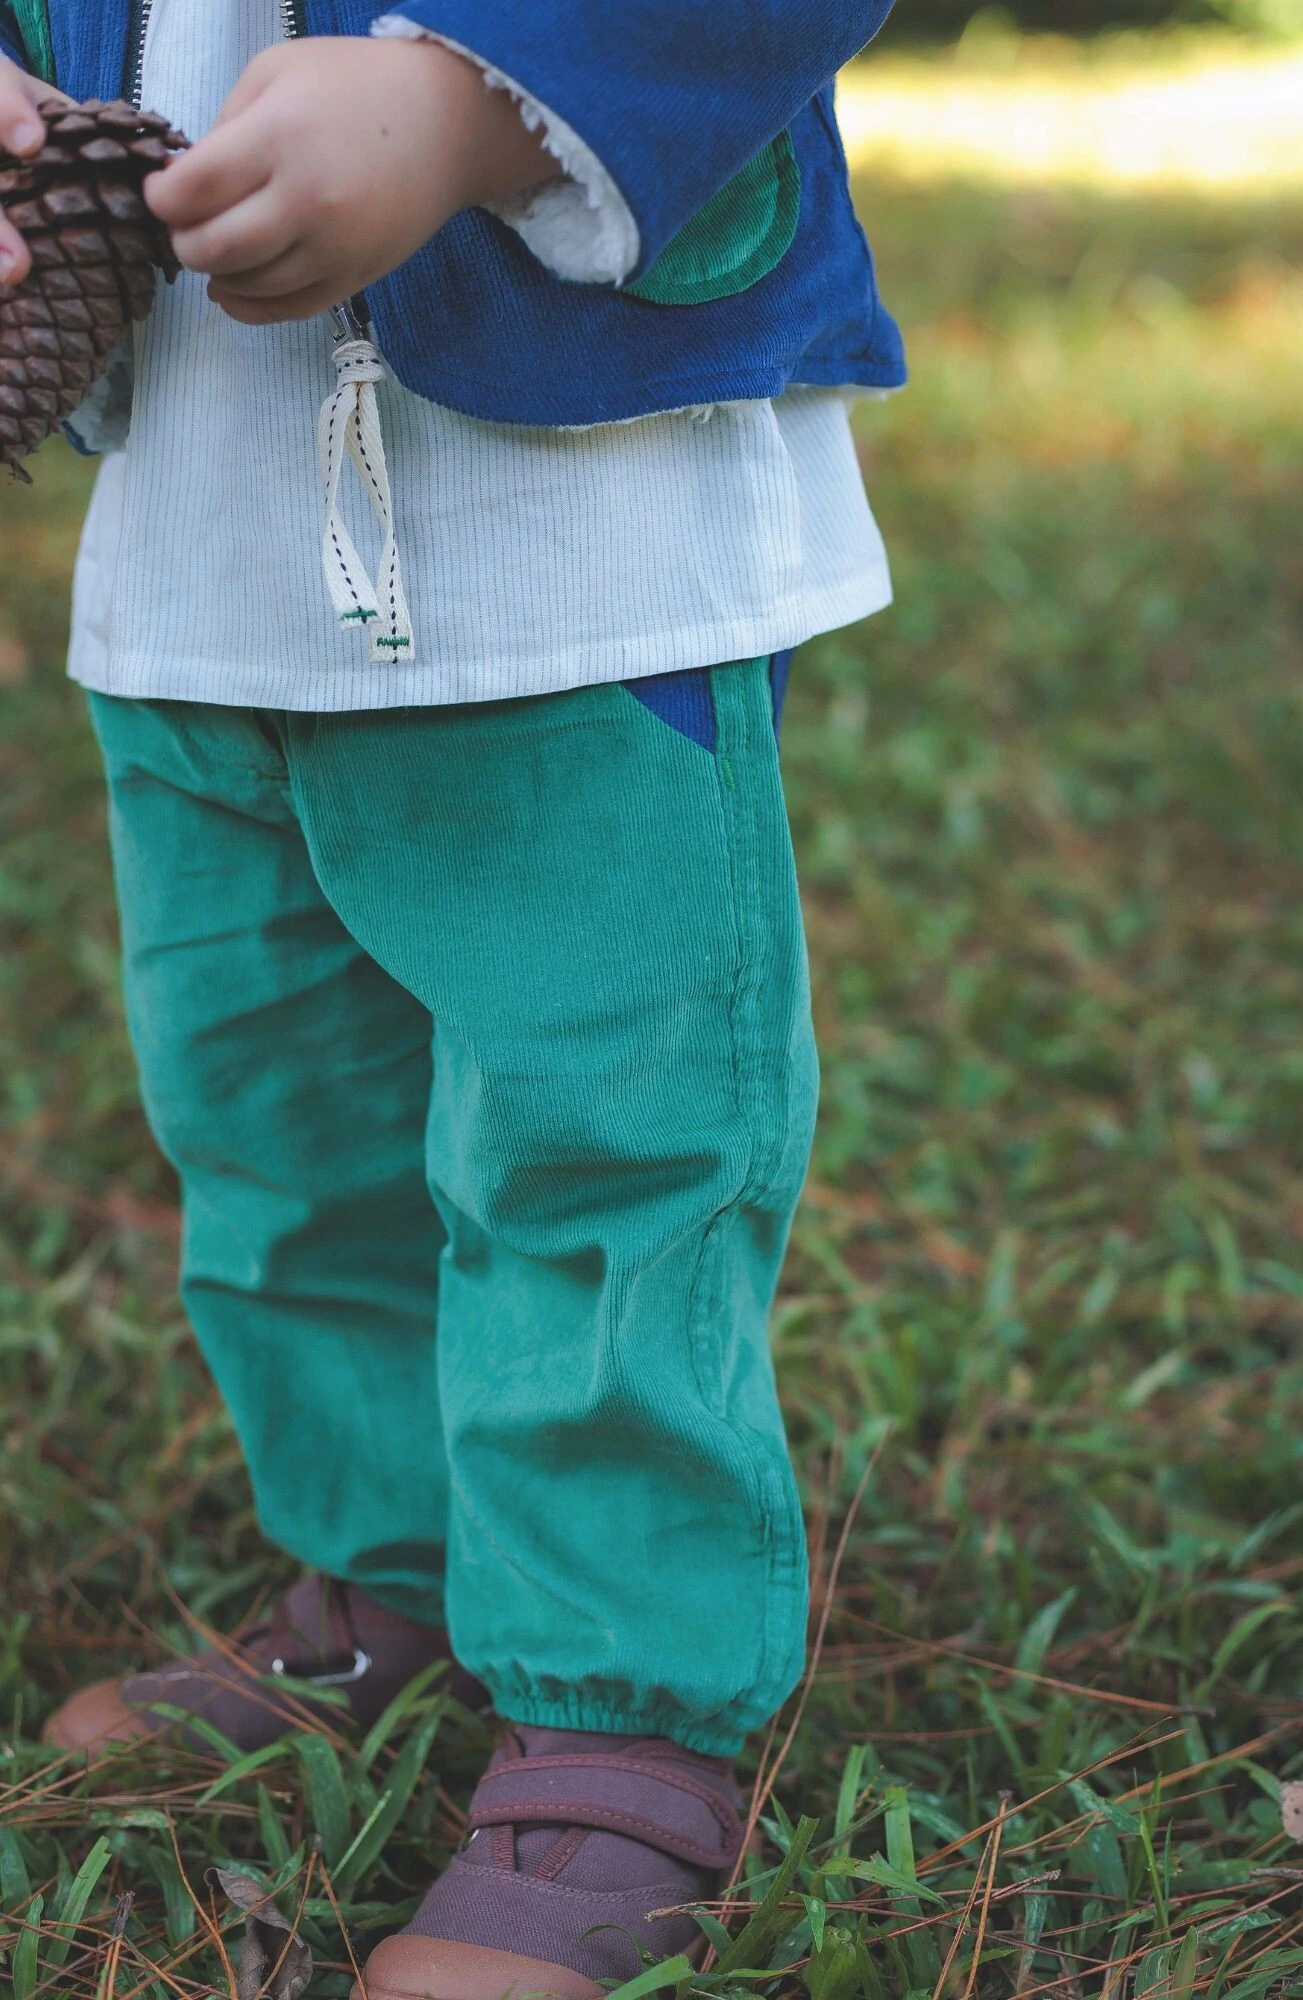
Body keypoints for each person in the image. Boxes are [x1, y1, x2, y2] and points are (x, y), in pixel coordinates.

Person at [0, 1, 904, 1993]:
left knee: (600, 1151)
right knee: (273, 1132)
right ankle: (388, 1575)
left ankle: (616, 1705)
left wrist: (473, 96)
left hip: (567, 529)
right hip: (197, 540)